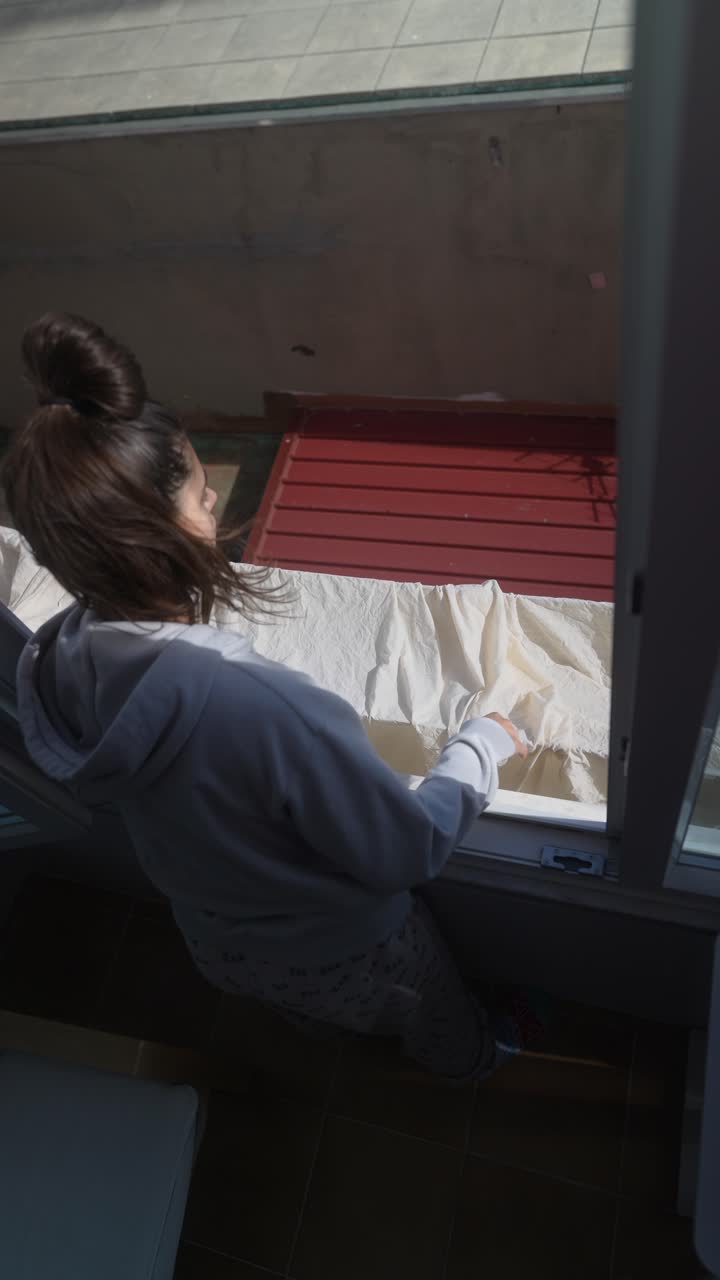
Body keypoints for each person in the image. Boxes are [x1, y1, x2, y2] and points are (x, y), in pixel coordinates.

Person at [4, 312, 544, 1084]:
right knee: (427, 1004)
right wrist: (481, 744)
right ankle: (471, 1058)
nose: (214, 505)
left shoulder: (60, 661)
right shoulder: (258, 706)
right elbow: (406, 848)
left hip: (218, 942)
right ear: (150, 537)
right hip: (343, 942)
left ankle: (334, 1039)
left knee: (316, 1010)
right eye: (198, 492)